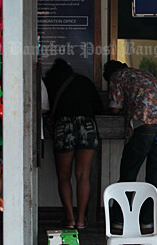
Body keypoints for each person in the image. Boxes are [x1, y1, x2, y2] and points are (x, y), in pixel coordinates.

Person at [103, 59, 157, 232]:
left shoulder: (117, 77)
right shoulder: (145, 74)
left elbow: (114, 108)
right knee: (154, 176)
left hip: (145, 123)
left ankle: (120, 221)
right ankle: (148, 222)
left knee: (128, 173)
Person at [43, 58, 102, 230]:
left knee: (64, 176)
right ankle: (81, 220)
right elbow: (98, 106)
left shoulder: (49, 82)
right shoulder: (84, 81)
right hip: (87, 126)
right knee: (83, 175)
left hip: (64, 126)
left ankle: (69, 218)